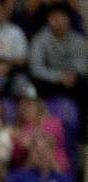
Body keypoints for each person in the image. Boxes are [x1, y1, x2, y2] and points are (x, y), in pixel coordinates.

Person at [28, 3, 86, 131]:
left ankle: (82, 134)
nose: (58, 21)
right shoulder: (40, 39)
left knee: (84, 83)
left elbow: (81, 65)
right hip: (49, 81)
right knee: (33, 82)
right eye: (54, 18)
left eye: (62, 17)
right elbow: (36, 67)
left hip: (72, 81)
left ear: (69, 20)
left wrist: (70, 75)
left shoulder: (78, 40)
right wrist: (59, 77)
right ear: (48, 20)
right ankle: (39, 126)